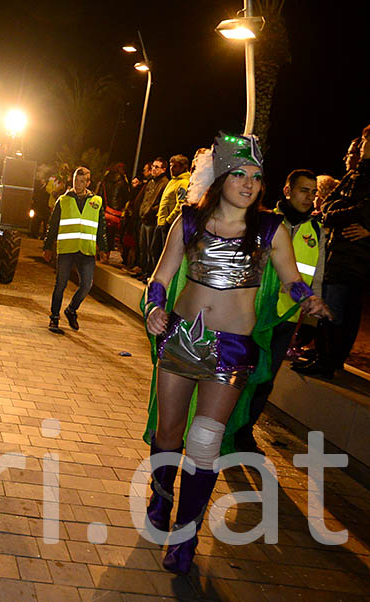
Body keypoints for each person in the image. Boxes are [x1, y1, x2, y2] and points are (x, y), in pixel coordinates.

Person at [141, 133, 331, 575]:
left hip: (231, 349)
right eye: (239, 175)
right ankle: (161, 495)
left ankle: (185, 537)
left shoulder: (270, 229)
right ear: (221, 177)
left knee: (205, 443)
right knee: (169, 434)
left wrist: (307, 299)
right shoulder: (187, 221)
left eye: (257, 177)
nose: (248, 184)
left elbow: (290, 278)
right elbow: (161, 276)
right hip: (182, 338)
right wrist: (153, 308)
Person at [235, 170, 324, 452]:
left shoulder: (317, 231)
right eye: (304, 190)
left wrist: (309, 319)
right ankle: (223, 426)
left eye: (313, 192)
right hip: (255, 313)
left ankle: (244, 433)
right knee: (240, 373)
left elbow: (317, 277)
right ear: (288, 190)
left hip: (287, 318)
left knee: (265, 379)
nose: (309, 197)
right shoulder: (263, 221)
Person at [296, 126, 370, 378]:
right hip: (339, 254)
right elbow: (328, 204)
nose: (361, 147)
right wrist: (343, 212)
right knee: (332, 306)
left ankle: (328, 362)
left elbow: (358, 209)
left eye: (365, 142)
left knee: (338, 310)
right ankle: (322, 356)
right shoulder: (354, 176)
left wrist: (364, 225)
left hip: (356, 259)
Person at [43, 166, 108, 332]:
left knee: (87, 285)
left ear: (88, 182)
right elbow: (53, 225)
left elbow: (102, 227)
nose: (77, 184)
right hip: (66, 249)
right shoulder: (63, 200)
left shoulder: (97, 202)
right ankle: (54, 317)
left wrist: (103, 248)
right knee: (60, 284)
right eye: (75, 181)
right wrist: (47, 246)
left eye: (81, 181)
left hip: (86, 250)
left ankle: (71, 310)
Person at [136, 157, 169, 281]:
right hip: (144, 219)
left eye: (157, 167)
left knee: (151, 249)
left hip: (152, 221)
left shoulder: (164, 183)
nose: (153, 169)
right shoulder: (151, 182)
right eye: (152, 167)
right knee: (143, 247)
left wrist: (151, 212)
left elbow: (161, 203)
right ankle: (143, 270)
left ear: (163, 169)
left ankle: (150, 273)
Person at [155, 154, 191, 249]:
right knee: (153, 251)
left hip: (168, 224)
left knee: (161, 252)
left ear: (183, 167)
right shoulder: (173, 181)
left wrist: (168, 221)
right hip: (161, 222)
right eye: (171, 165)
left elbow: (180, 204)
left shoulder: (183, 183)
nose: (171, 168)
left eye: (175, 166)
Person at [97, 162, 131, 259]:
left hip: (103, 209)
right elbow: (127, 196)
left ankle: (98, 252)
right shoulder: (122, 181)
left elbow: (100, 193)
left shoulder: (105, 178)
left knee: (101, 231)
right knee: (111, 235)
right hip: (115, 212)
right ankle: (105, 254)